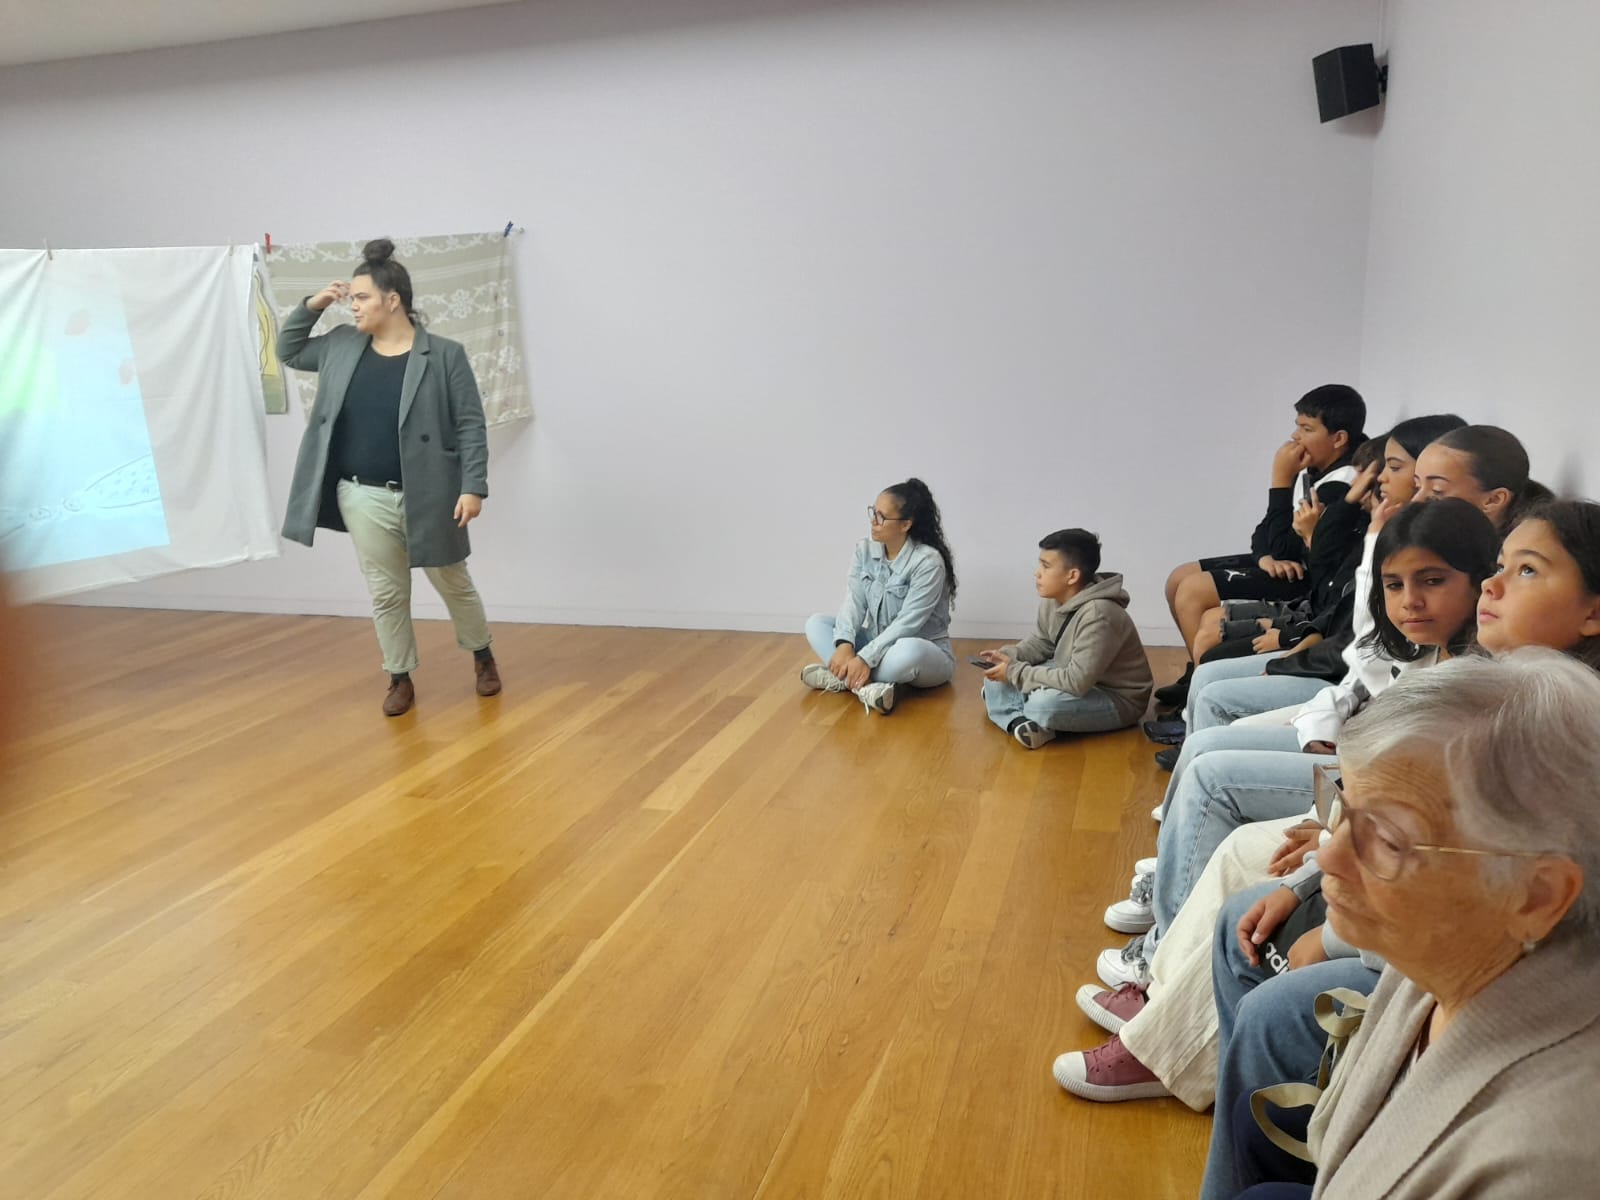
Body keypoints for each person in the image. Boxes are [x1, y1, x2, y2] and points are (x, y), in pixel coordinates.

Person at [1096, 500, 1499, 984]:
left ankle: (1162, 957)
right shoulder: (1427, 647)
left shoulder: (1475, 684)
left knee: (1213, 777)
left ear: (1483, 579)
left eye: (1432, 581)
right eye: (1395, 585)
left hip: (1360, 797)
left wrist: (1329, 832)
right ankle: (1171, 890)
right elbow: (1359, 668)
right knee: (1208, 743)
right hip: (1348, 770)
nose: (1410, 600)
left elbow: (1414, 804)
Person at [1250, 651, 1600, 1198]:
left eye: (1388, 840)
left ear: (1537, 894)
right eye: (1343, 806)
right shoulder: (1443, 956)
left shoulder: (1542, 1169)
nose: (1330, 857)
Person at [279, 238, 499, 718]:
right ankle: (399, 676)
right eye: (352, 298)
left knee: (452, 581)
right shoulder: (340, 345)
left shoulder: (444, 355)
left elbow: (470, 424)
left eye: (362, 297)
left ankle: (482, 653)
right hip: (362, 495)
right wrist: (314, 304)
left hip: (432, 493)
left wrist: (472, 486)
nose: (353, 305)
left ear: (392, 299)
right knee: (386, 592)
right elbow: (288, 351)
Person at [1158, 385, 1367, 706]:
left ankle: (1197, 685)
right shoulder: (1317, 468)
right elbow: (1265, 532)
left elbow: (1288, 547)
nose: (1295, 436)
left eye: (1307, 428)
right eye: (1297, 425)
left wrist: (1280, 480)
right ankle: (1194, 674)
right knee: (1179, 577)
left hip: (1303, 575)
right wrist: (1264, 556)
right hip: (1284, 559)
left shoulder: (1341, 482)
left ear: (1338, 438)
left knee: (1192, 591)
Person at [976, 528, 1153, 748]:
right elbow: (1042, 643)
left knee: (1042, 705)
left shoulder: (1099, 614)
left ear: (1072, 576)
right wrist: (1009, 656)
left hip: (1116, 697)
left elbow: (1076, 681)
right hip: (1070, 673)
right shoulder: (1053, 599)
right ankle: (1020, 721)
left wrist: (1014, 672)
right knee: (996, 674)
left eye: (1046, 566)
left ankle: (1014, 707)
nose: (1037, 573)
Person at [802, 478, 956, 714]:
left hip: (921, 651)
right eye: (873, 513)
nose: (873, 522)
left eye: (881, 517)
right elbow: (854, 602)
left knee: (908, 650)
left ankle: (844, 677)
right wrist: (844, 645)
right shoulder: (864, 550)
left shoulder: (928, 562)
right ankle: (866, 687)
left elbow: (908, 623)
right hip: (875, 641)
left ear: (905, 524)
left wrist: (864, 658)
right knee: (816, 623)